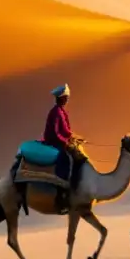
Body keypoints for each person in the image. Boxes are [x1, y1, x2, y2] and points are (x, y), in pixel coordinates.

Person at [42, 83, 87, 213]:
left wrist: (74, 137)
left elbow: (66, 130)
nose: (67, 100)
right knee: (66, 161)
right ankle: (60, 198)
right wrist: (65, 142)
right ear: (61, 98)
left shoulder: (61, 111)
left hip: (60, 141)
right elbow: (55, 133)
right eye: (66, 98)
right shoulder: (56, 112)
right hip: (54, 143)